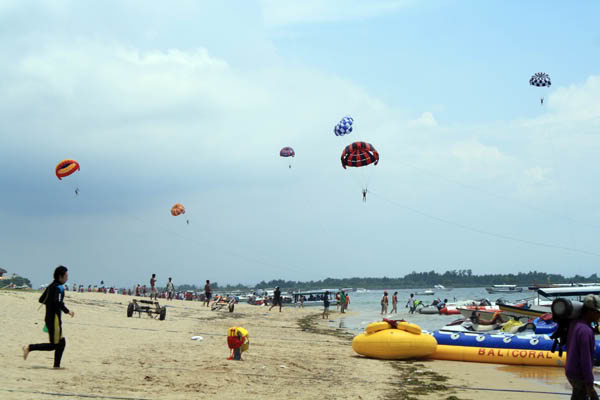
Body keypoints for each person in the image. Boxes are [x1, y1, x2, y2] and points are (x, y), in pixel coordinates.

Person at [23, 266, 74, 369]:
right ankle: (29, 348)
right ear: (60, 276)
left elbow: (41, 299)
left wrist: (50, 304)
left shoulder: (51, 286)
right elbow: (57, 302)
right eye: (66, 276)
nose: (67, 278)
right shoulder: (59, 287)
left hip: (49, 317)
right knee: (55, 345)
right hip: (54, 319)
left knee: (61, 342)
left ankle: (56, 366)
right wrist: (67, 311)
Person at [565, 294, 600, 399]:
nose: (599, 316)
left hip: (570, 371)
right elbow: (586, 359)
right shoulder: (585, 331)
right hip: (579, 375)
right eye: (598, 313)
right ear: (591, 312)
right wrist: (589, 383)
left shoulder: (575, 324)